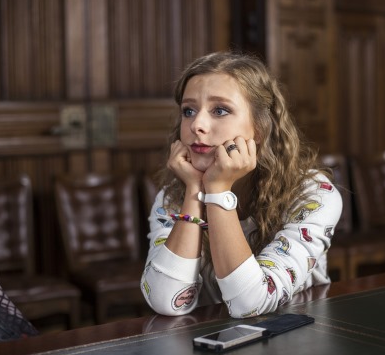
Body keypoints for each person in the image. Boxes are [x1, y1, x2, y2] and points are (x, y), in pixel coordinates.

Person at [140, 51, 342, 318]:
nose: (197, 125)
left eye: (220, 110)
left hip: (296, 340)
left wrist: (219, 192)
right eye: (189, 111)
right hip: (211, 346)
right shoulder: (174, 197)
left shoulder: (314, 194)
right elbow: (166, 300)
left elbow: (251, 303)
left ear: (259, 128)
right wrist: (195, 192)